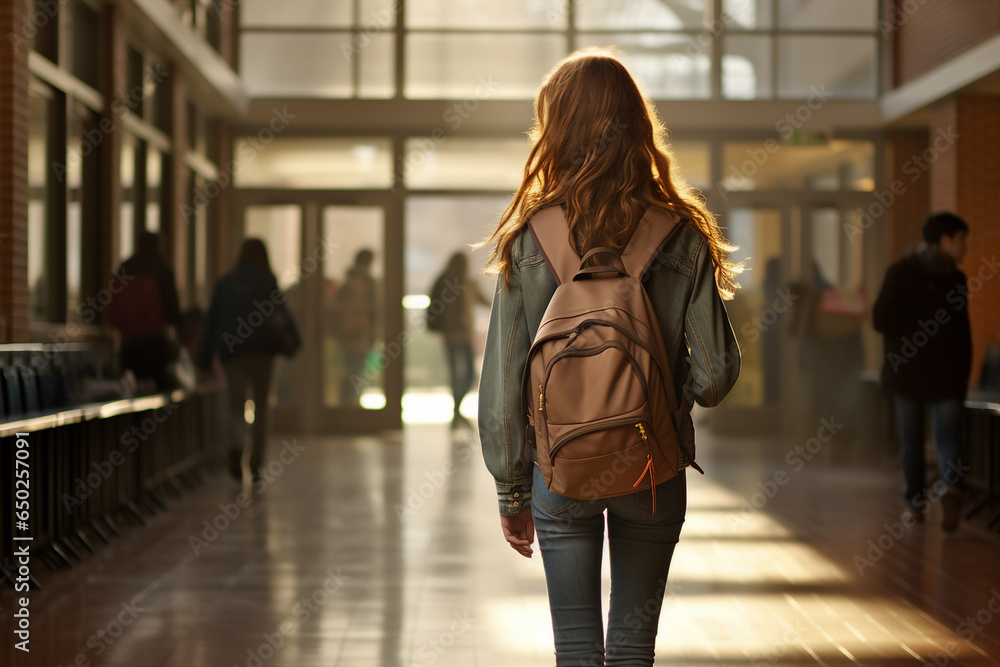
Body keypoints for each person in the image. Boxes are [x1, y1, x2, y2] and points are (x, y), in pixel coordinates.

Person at [478, 49, 741, 666]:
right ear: (637, 128)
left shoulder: (530, 238)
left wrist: (512, 492)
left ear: (557, 130)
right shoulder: (681, 234)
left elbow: (502, 384)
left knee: (575, 649)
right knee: (630, 647)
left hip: (560, 463)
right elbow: (716, 376)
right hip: (651, 464)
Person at [873, 212, 972, 530]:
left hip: (907, 373)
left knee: (912, 441)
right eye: (961, 240)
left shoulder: (899, 273)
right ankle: (951, 489)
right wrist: (963, 374)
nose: (965, 248)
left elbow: (880, 319)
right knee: (948, 440)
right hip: (947, 375)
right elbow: (962, 332)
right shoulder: (955, 279)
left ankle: (915, 505)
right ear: (945, 239)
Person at [196, 239, 293, 483]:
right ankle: (257, 464)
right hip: (264, 354)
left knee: (235, 406)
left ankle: (236, 449)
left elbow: (212, 322)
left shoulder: (226, 283)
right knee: (261, 407)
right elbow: (282, 316)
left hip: (234, 354)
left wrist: (203, 359)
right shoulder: (267, 281)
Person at [108, 231, 183, 391]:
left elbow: (112, 308)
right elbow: (172, 313)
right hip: (154, 346)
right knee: (161, 391)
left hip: (128, 345)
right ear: (158, 246)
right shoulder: (162, 268)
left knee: (132, 391)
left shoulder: (126, 267)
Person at [427, 252, 490, 430]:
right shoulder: (454, 283)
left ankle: (456, 411)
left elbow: (484, 301)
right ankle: (457, 412)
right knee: (465, 373)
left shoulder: (461, 283)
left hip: (458, 335)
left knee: (464, 374)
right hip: (456, 335)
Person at [332, 249, 377, 407]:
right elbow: (371, 311)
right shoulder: (365, 282)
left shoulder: (349, 280)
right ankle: (350, 404)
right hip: (359, 332)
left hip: (349, 332)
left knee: (350, 370)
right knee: (355, 371)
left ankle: (348, 403)